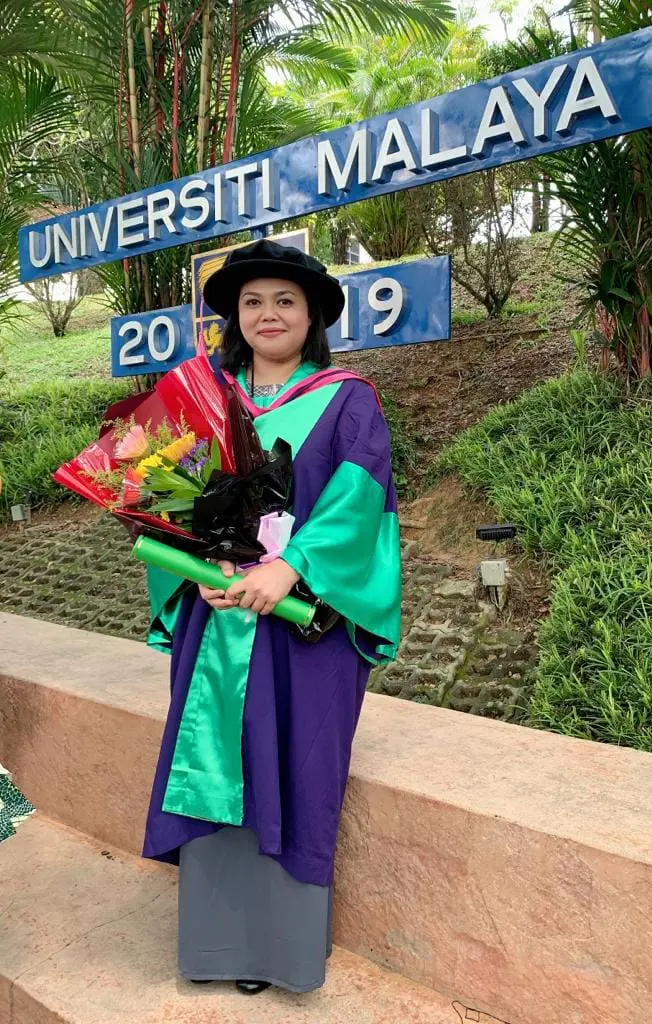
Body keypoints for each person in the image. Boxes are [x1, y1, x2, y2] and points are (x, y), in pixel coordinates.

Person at [140, 239, 402, 995]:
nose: (268, 314)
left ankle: (279, 953)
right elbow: (163, 502)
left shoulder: (350, 398)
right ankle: (214, 945)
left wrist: (290, 566)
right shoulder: (198, 393)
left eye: (285, 300)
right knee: (218, 766)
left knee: (297, 767)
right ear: (233, 317)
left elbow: (360, 503)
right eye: (252, 301)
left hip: (302, 624)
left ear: (313, 313)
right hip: (217, 610)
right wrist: (203, 567)